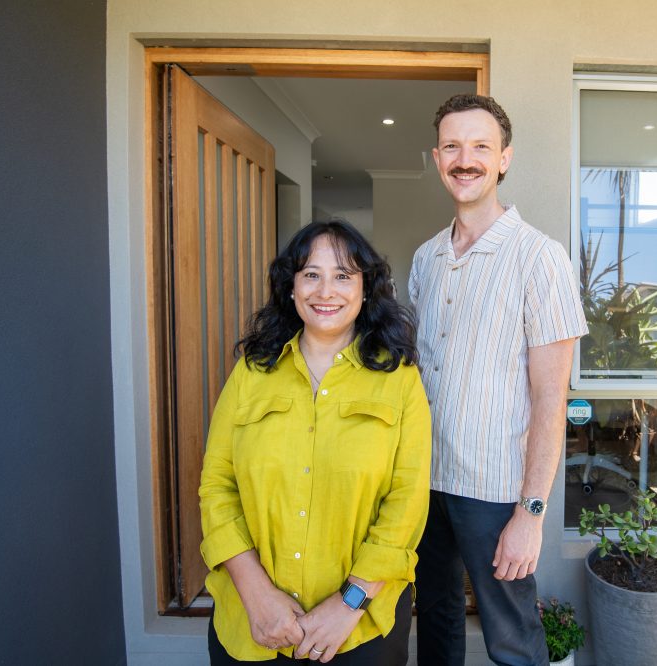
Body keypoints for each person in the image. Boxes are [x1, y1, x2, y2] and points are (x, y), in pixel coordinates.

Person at [199, 220, 431, 665]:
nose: (326, 290)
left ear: (366, 289)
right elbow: (217, 487)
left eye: (343, 275)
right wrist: (257, 595)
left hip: (360, 631)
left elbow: (407, 502)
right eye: (311, 275)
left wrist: (350, 603)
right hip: (252, 625)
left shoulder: (399, 381)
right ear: (291, 288)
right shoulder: (251, 373)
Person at [409, 94, 588, 665]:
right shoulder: (426, 259)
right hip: (423, 481)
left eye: (481, 146)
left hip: (495, 491)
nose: (467, 159)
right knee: (435, 619)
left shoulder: (540, 257)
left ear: (504, 159)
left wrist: (530, 515)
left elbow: (549, 398)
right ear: (437, 158)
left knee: (512, 639)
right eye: (453, 146)